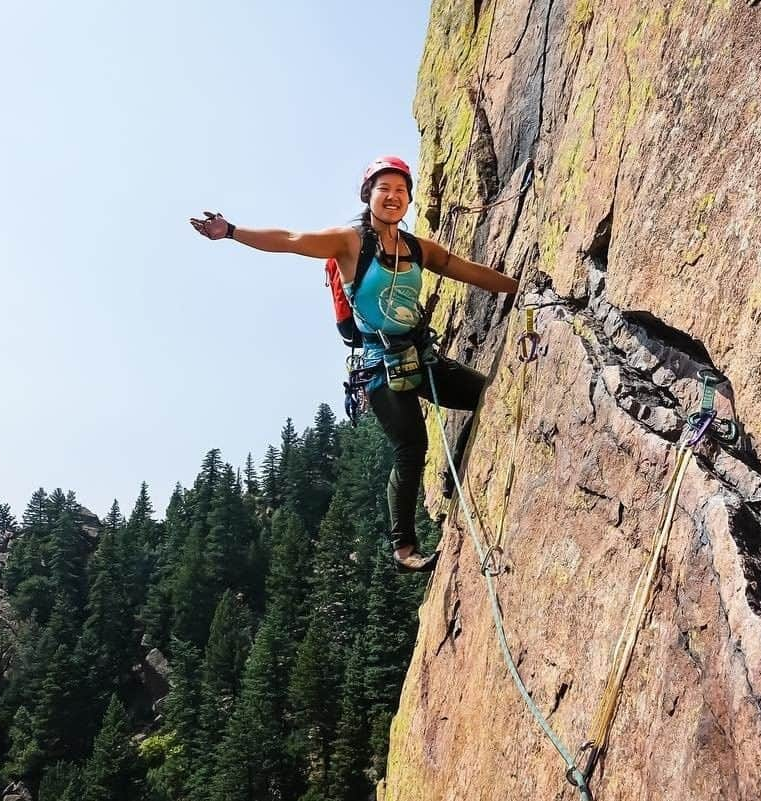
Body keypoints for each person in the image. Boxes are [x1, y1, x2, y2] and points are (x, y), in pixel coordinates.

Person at [190, 156, 518, 573]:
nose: (393, 197)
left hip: (421, 356)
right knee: (412, 449)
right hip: (380, 366)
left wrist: (518, 287)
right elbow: (291, 238)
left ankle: (459, 462)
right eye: (385, 189)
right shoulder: (349, 243)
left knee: (488, 395)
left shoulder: (417, 249)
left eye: (401, 190)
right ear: (370, 196)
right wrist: (232, 232)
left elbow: (462, 269)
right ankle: (404, 550)